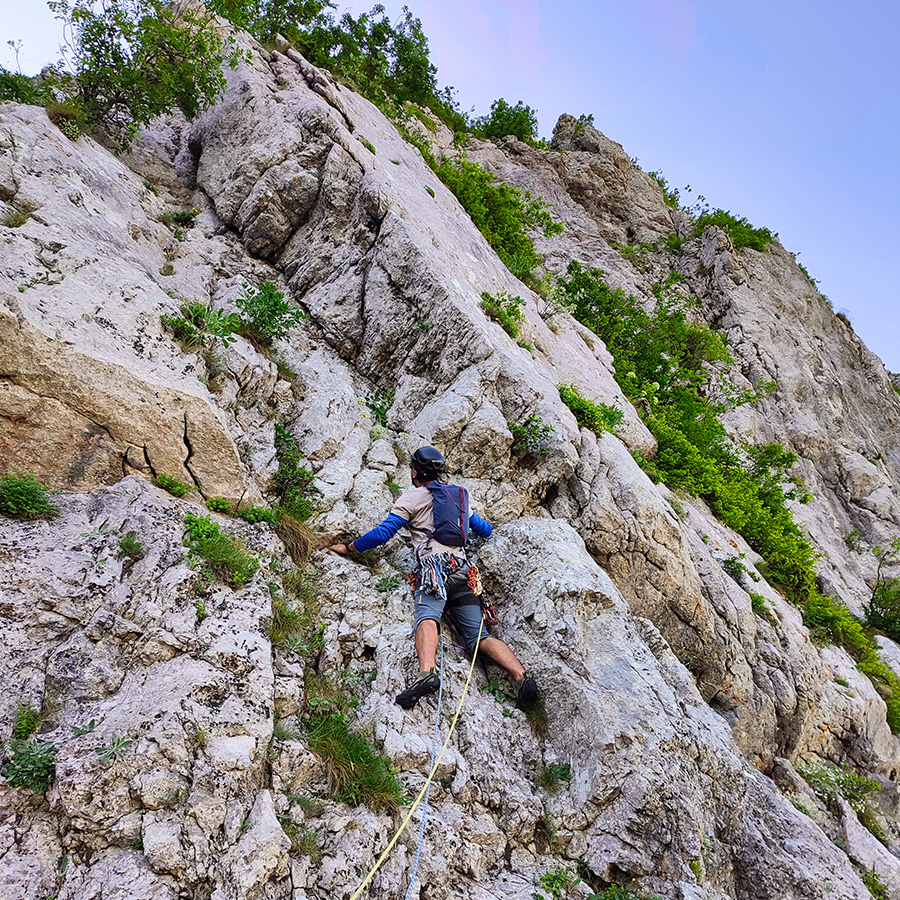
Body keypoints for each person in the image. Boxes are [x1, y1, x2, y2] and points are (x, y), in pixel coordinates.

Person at [331, 446, 540, 711]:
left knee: (427, 616)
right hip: (463, 571)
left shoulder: (412, 497)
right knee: (478, 636)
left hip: (433, 571)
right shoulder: (458, 496)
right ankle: (522, 676)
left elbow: (383, 534)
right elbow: (484, 529)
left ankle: (427, 673)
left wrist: (349, 547)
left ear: (415, 472)